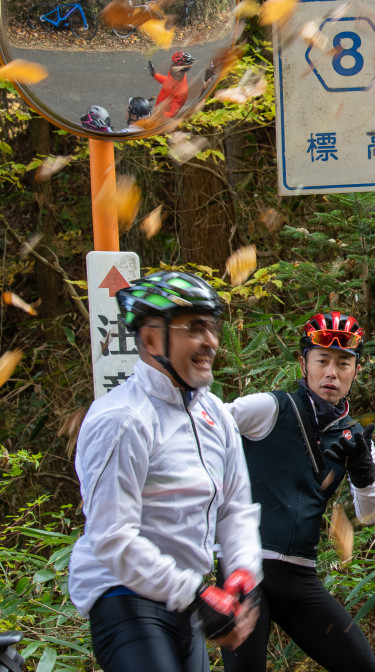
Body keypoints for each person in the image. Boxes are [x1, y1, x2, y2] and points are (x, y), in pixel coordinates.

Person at [68, 271, 261, 671]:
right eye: (195, 328)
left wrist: (243, 572)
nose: (211, 341)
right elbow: (112, 536)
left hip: (184, 598)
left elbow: (236, 509)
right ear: (153, 339)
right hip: (121, 594)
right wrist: (195, 593)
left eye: (212, 327)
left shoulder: (214, 415)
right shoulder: (123, 419)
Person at [221, 311, 375, 672]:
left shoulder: (355, 437)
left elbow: (371, 516)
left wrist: (363, 468)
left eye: (344, 363)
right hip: (245, 567)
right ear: (303, 363)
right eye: (322, 360)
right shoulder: (270, 408)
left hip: (298, 577)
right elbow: (204, 425)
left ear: (355, 371)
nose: (332, 372)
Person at [150, 51, 194, 118]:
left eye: (173, 65)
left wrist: (159, 114)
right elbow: (168, 81)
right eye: (172, 63)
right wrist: (155, 75)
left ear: (181, 69)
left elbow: (172, 114)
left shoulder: (181, 92)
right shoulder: (174, 74)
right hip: (157, 108)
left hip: (160, 119)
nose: (170, 67)